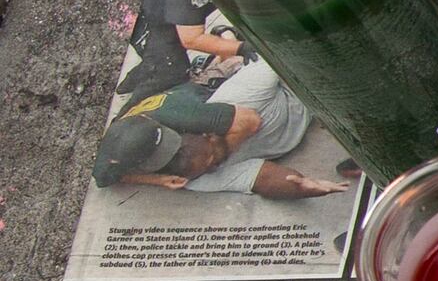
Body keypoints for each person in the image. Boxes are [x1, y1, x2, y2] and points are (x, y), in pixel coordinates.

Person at [90, 61, 353, 201]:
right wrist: (302, 186)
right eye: (208, 167)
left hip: (295, 86)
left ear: (209, 134)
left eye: (212, 159)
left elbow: (250, 119)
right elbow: (261, 180)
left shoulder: (235, 97)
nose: (214, 167)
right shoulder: (193, 176)